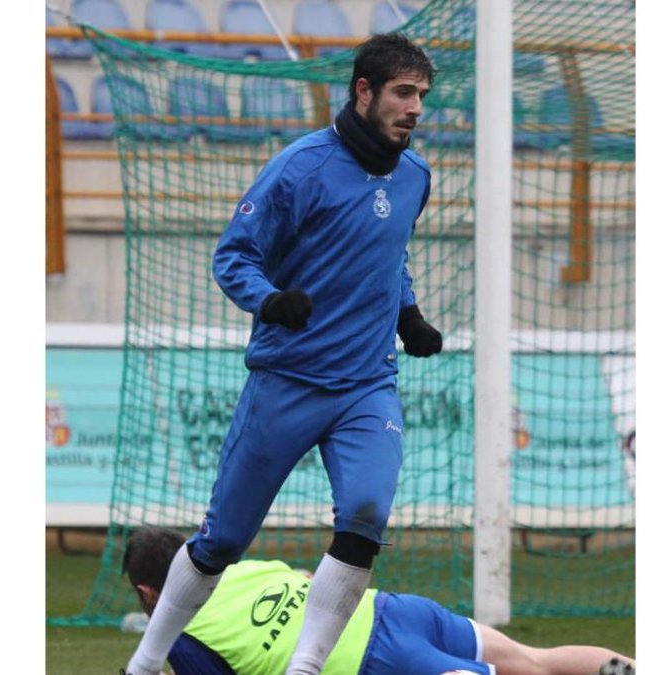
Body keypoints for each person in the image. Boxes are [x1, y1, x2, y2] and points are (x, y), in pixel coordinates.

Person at [123, 32, 445, 675]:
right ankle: (143, 662)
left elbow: (390, 257)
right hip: (288, 380)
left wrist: (407, 313)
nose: (416, 108)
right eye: (404, 93)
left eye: (422, 96)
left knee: (365, 516)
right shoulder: (300, 167)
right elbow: (233, 255)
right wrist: (269, 301)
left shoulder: (415, 176)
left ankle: (305, 668)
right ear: (364, 92)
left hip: (366, 385)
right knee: (221, 542)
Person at [121, 526, 637, 675]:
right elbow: (307, 577)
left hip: (378, 661)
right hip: (395, 610)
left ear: (147, 593)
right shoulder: (242, 569)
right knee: (534, 662)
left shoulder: (182, 640)